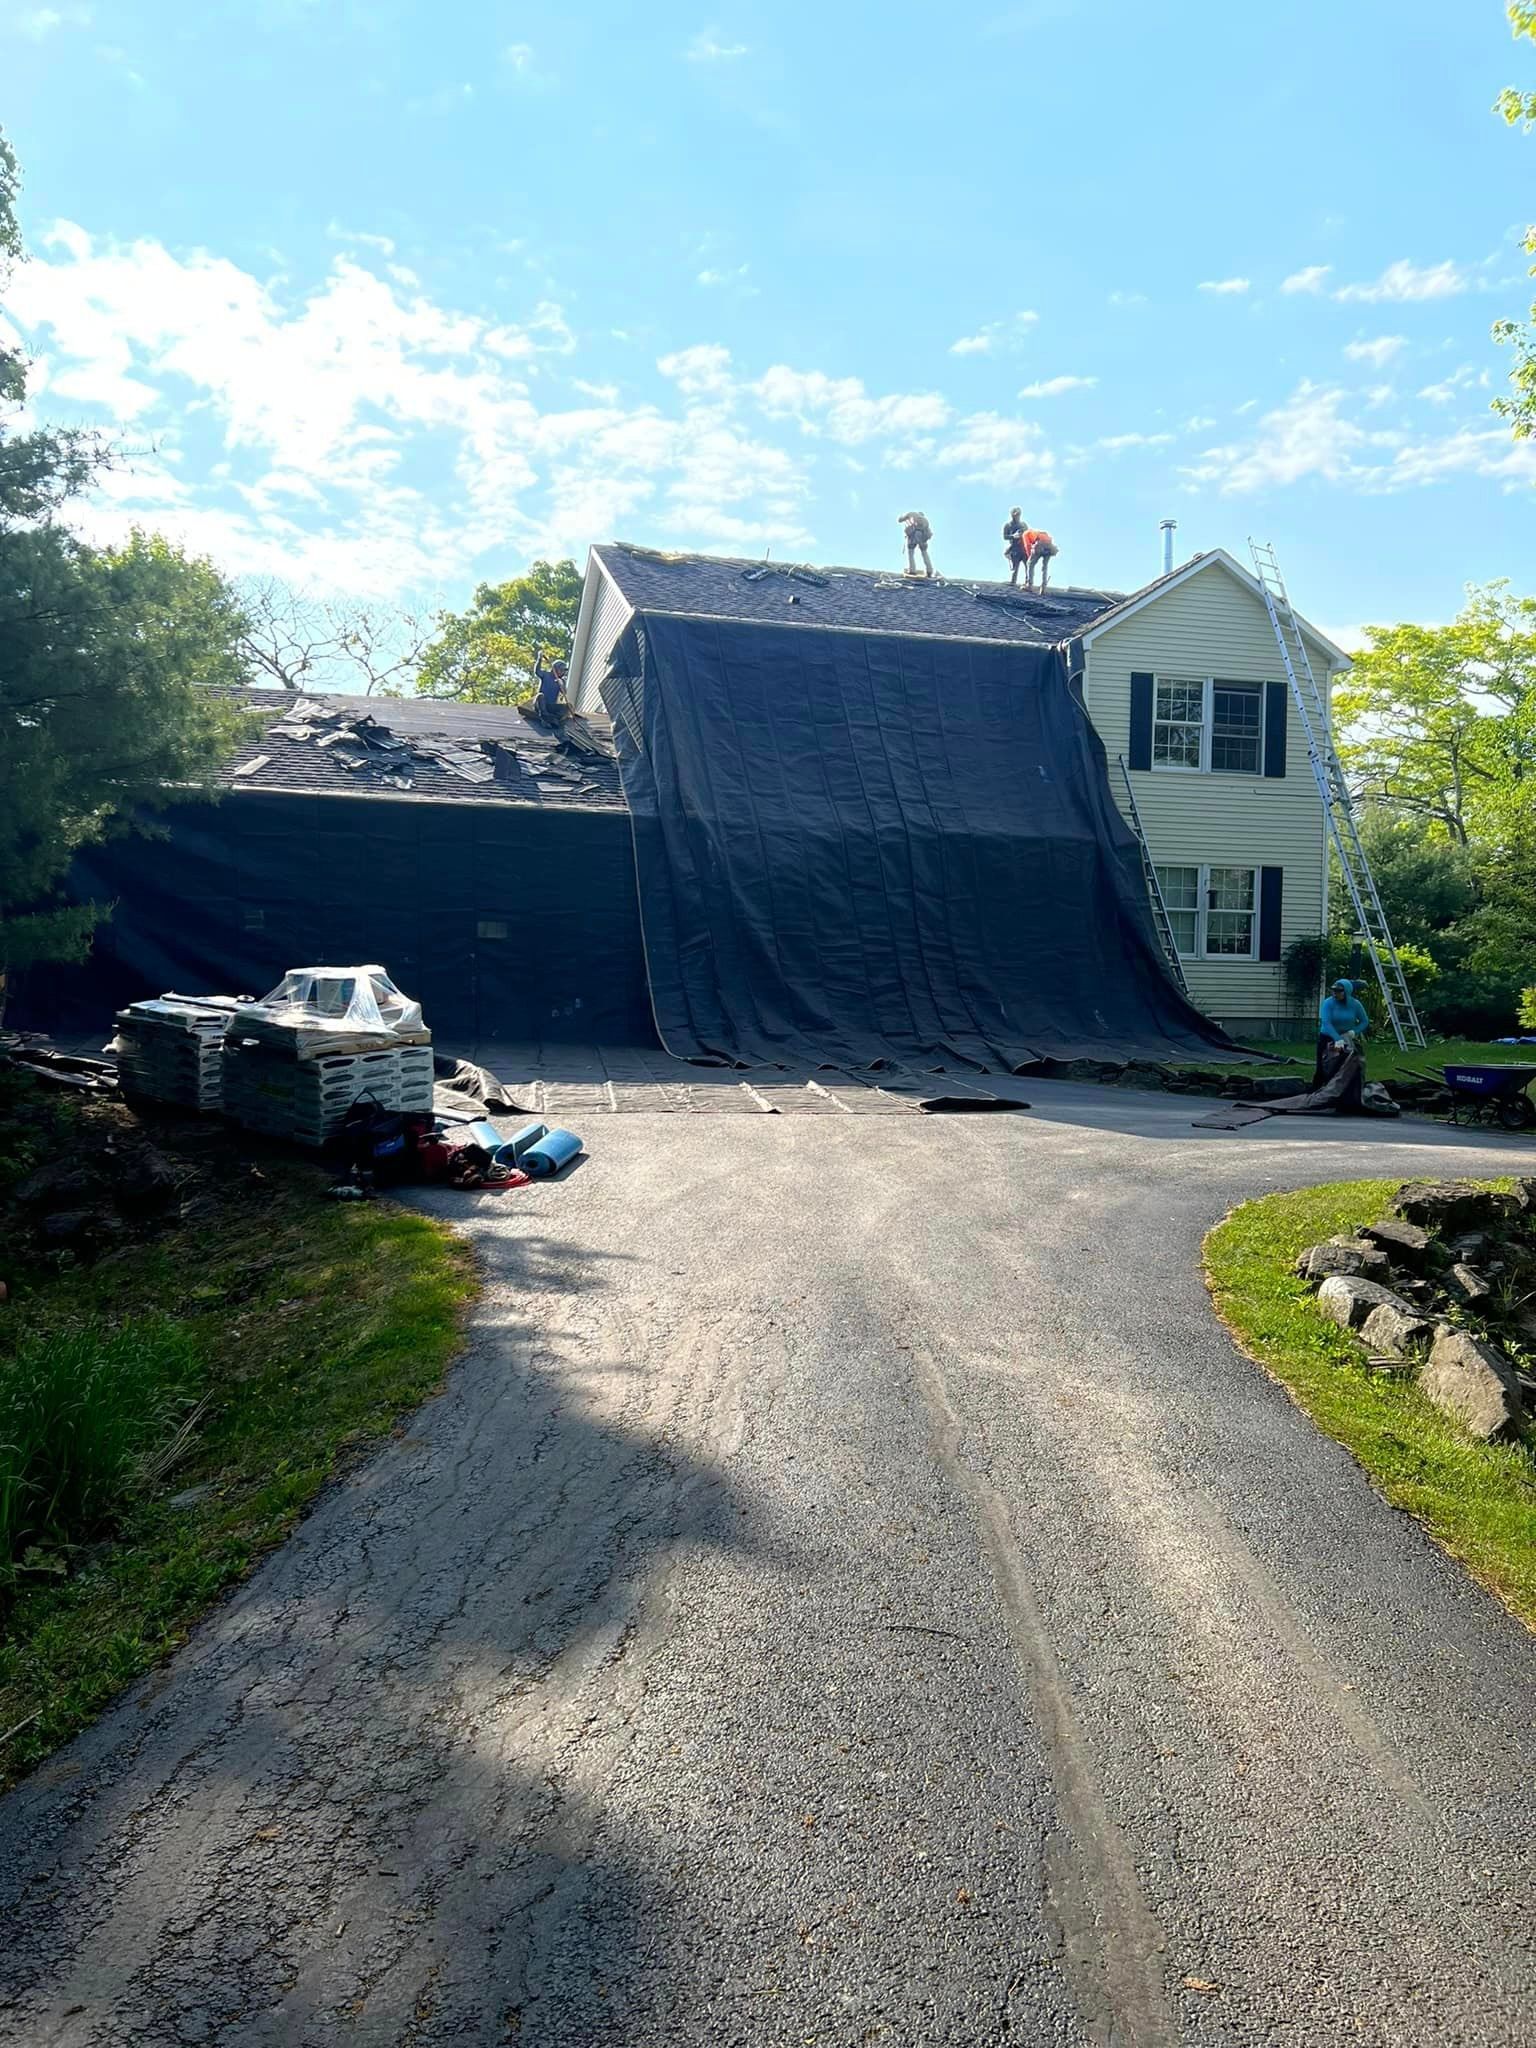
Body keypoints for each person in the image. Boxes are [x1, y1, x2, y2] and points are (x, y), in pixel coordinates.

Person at [1314, 976, 1371, 1086]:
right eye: (1334, 990)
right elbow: (1326, 1023)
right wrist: (1337, 1039)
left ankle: (1343, 1092)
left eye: (1339, 991)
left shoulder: (1355, 1004)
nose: (1335, 993)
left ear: (1346, 992)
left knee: (1346, 1067)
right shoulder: (1328, 1003)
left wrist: (1354, 1032)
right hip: (1327, 1038)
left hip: (1346, 1038)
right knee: (1323, 1066)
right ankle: (1317, 1090)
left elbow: (1364, 1021)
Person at [532, 646, 569, 721]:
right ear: (555, 668)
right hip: (541, 703)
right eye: (561, 670)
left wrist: (561, 684)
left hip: (550, 706)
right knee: (540, 696)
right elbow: (537, 671)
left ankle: (557, 718)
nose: (563, 672)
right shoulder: (546, 675)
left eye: (564, 671)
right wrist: (539, 659)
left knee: (568, 706)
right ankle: (544, 715)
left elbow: (564, 693)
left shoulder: (561, 681)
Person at [898, 510, 934, 578]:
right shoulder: (926, 521)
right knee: (924, 553)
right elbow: (929, 533)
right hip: (923, 537)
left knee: (911, 553)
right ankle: (929, 571)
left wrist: (901, 518)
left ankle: (912, 570)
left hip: (914, 535)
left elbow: (900, 520)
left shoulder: (912, 514)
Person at [1023, 525, 1059, 592]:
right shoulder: (1038, 532)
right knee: (1045, 567)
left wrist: (1029, 557)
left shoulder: (1025, 533)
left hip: (1040, 544)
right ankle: (1043, 587)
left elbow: (1027, 545)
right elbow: (1048, 538)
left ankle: (1029, 585)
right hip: (1050, 547)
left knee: (1030, 564)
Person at [1003, 507, 1027, 587]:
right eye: (1016, 515)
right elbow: (1005, 537)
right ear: (1012, 515)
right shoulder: (1008, 525)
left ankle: (1028, 582)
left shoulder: (1023, 525)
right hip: (1014, 548)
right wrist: (1013, 536)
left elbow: (1029, 535)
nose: (1017, 516)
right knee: (1015, 567)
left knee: (1028, 565)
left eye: (1018, 514)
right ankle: (1013, 581)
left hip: (1024, 548)